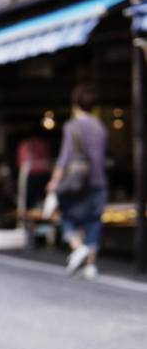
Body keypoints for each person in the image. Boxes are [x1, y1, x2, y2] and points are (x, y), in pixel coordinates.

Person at [47, 84, 107, 280]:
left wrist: (54, 182)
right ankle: (91, 266)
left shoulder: (72, 126)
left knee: (67, 217)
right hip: (98, 182)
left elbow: (64, 159)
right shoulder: (100, 127)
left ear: (75, 104)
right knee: (93, 222)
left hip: (76, 183)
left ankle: (78, 247)